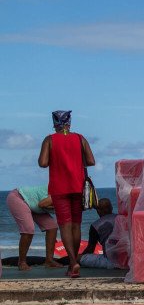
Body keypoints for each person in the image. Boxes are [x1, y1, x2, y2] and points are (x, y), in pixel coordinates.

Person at [37, 110, 95, 278]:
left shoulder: (50, 139)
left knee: (65, 226)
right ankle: (74, 261)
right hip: (78, 187)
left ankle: (72, 262)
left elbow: (43, 163)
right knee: (76, 225)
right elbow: (91, 161)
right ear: (69, 123)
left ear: (55, 124)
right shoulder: (79, 138)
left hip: (59, 188)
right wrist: (75, 160)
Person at [5, 185, 59, 270]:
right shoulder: (60, 194)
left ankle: (49, 260)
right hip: (18, 197)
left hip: (34, 205)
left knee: (52, 227)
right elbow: (42, 204)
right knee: (28, 229)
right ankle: (21, 262)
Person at [79, 198, 118, 269]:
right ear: (112, 208)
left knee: (77, 258)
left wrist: (81, 257)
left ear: (98, 211)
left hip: (110, 262)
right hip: (128, 259)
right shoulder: (122, 219)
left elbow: (90, 249)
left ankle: (58, 261)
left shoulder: (95, 225)